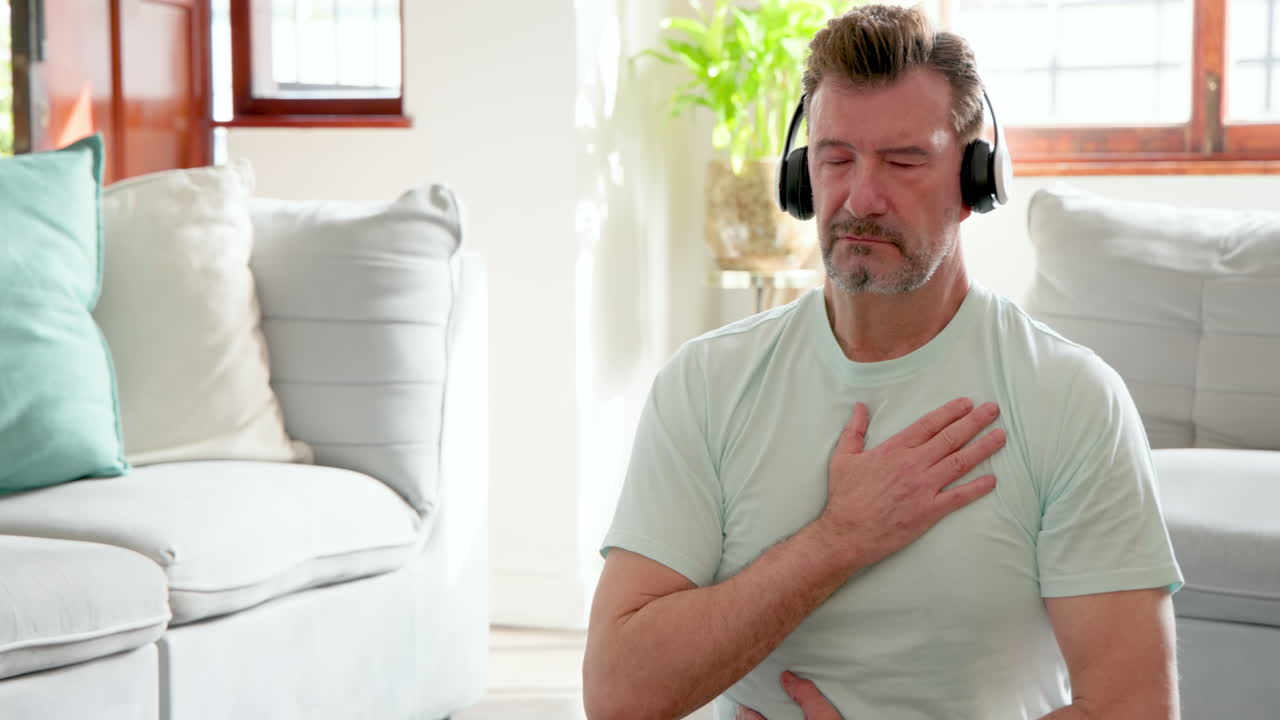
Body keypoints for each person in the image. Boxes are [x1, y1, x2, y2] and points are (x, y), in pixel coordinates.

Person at [582, 5, 1183, 719]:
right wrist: (835, 542)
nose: (862, 198)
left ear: (975, 181)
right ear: (802, 178)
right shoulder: (706, 383)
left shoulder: (1070, 397)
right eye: (836, 159)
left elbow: (1134, 706)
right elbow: (619, 696)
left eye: (903, 162)